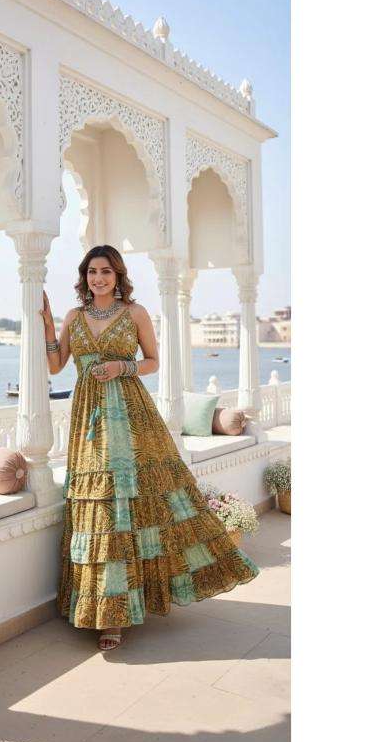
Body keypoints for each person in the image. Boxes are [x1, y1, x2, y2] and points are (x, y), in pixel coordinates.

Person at [40, 244, 259, 651]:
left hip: (132, 417)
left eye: (106, 271)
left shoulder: (135, 313)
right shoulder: (74, 316)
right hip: (90, 422)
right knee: (101, 503)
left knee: (137, 501)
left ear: (118, 276)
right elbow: (56, 365)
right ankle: (104, 608)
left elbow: (153, 361)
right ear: (84, 277)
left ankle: (122, 613)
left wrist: (121, 366)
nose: (98, 278)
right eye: (92, 272)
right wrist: (47, 326)